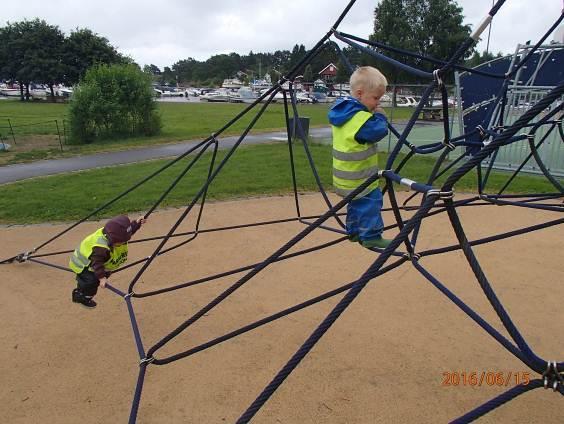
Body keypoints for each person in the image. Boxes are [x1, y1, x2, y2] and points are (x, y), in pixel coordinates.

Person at [328, 66, 391, 249]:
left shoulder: (342, 111)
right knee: (371, 203)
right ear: (360, 94)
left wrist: (371, 109)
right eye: (375, 98)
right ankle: (371, 235)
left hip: (344, 177)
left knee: (355, 205)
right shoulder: (360, 118)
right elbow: (378, 131)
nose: (377, 103)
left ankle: (354, 231)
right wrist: (380, 116)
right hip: (360, 177)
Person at [69, 215, 146, 308]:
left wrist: (137, 224)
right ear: (113, 239)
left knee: (100, 275)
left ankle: (88, 287)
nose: (124, 242)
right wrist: (101, 277)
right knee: (91, 282)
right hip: (84, 266)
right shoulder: (101, 248)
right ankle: (82, 297)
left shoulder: (113, 234)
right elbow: (96, 264)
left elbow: (127, 232)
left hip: (95, 261)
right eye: (122, 241)